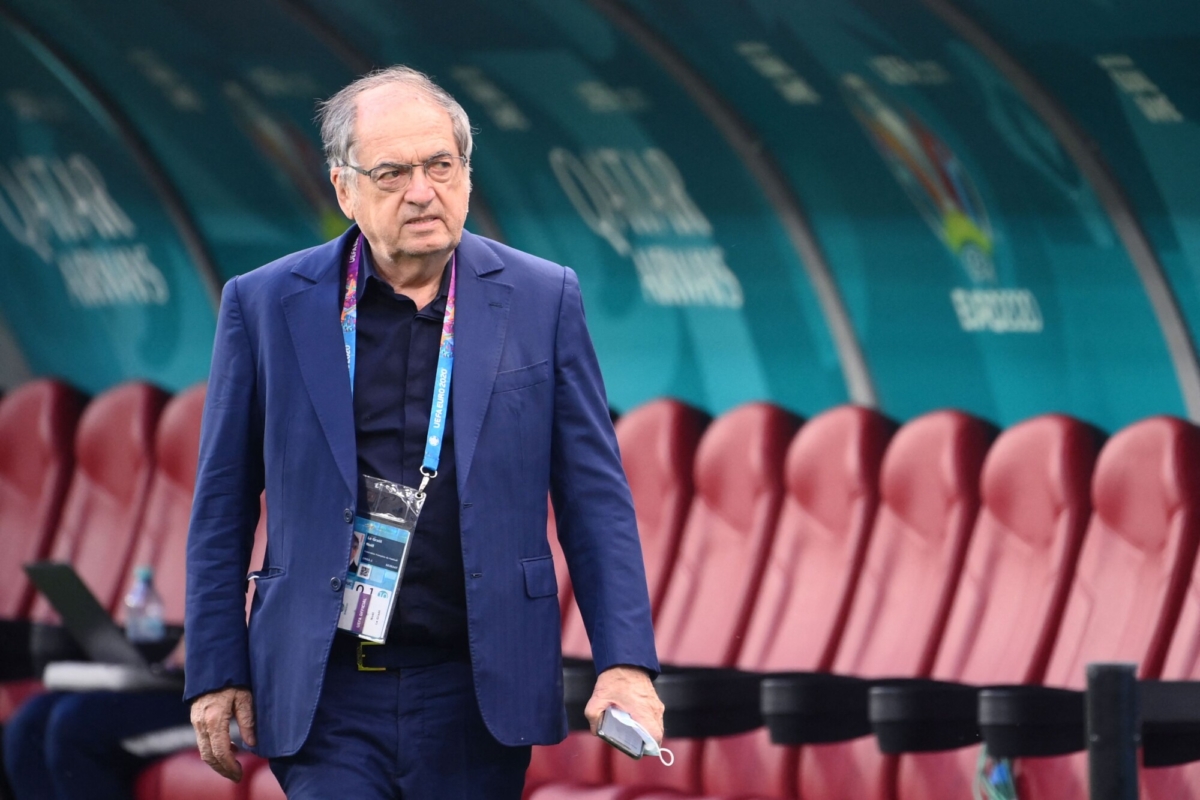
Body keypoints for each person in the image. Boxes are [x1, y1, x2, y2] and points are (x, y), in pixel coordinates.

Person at [185, 65, 663, 799]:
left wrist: (625, 662)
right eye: (393, 172)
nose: (422, 191)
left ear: (467, 173)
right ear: (344, 189)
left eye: (440, 165)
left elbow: (595, 499)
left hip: (477, 687)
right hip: (326, 686)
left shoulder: (543, 299)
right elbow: (221, 505)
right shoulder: (266, 304)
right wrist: (216, 670)